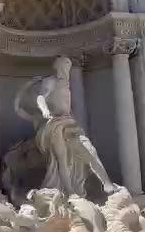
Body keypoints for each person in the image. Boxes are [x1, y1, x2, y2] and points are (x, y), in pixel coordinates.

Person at [14, 56, 116, 197]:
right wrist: (44, 110)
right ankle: (69, 192)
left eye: (68, 64)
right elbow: (41, 97)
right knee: (61, 158)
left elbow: (67, 106)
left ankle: (107, 183)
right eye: (64, 63)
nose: (66, 66)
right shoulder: (50, 81)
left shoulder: (66, 83)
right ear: (56, 66)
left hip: (69, 122)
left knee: (89, 150)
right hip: (54, 123)